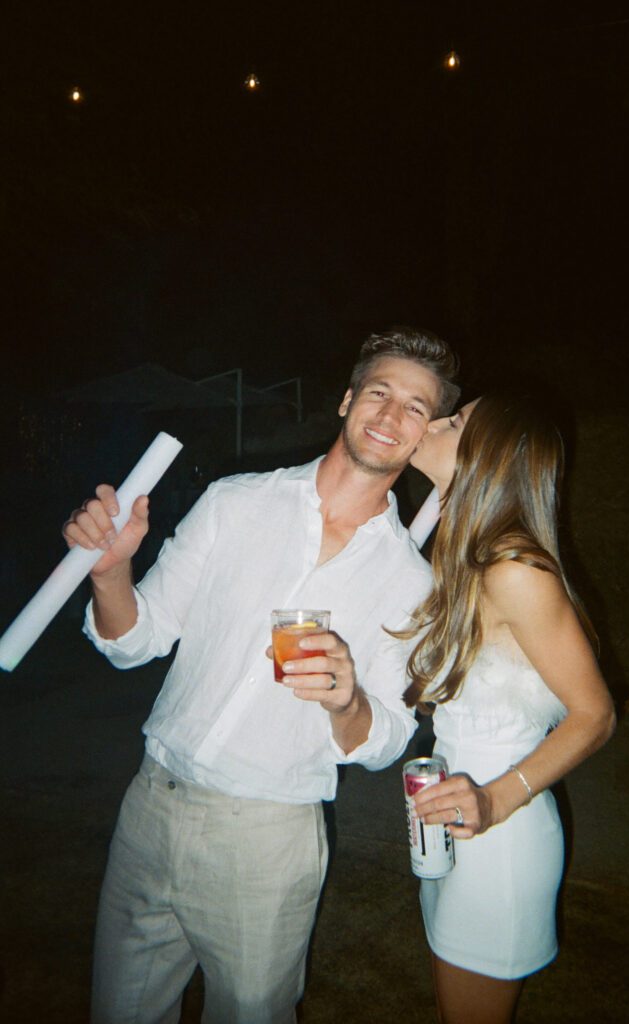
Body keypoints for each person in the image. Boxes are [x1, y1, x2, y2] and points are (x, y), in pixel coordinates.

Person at [63, 327, 460, 1024]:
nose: (391, 417)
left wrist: (347, 702)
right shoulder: (233, 502)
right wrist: (111, 571)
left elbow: (386, 737)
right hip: (151, 807)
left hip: (268, 839)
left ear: (424, 433)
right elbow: (136, 640)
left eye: (416, 408)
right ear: (345, 401)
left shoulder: (413, 582)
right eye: (379, 393)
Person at [401, 395, 616, 1024]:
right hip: (451, 816)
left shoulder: (515, 568)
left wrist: (496, 799)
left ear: (489, 455)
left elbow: (595, 714)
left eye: (455, 421)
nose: (433, 424)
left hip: (501, 835)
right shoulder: (462, 551)